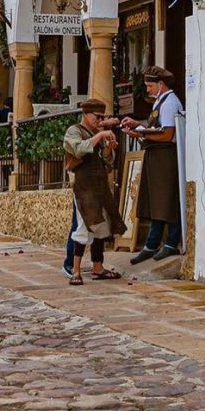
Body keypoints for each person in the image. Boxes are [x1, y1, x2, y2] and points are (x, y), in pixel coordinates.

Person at [121, 66, 184, 264]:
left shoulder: (169, 103)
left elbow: (167, 134)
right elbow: (156, 127)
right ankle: (152, 244)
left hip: (166, 156)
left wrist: (141, 133)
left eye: (150, 86)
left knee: (167, 200)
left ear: (160, 84)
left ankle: (171, 243)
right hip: (156, 155)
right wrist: (137, 124)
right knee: (157, 200)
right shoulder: (160, 101)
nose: (147, 90)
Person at [63, 97, 124, 284]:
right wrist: (99, 135)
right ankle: (75, 270)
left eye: (102, 116)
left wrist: (108, 150)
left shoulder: (98, 132)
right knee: (83, 226)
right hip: (84, 186)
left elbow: (106, 161)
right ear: (86, 114)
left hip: (100, 186)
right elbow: (78, 150)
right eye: (97, 116)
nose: (100, 120)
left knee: (101, 226)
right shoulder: (74, 131)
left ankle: (98, 267)